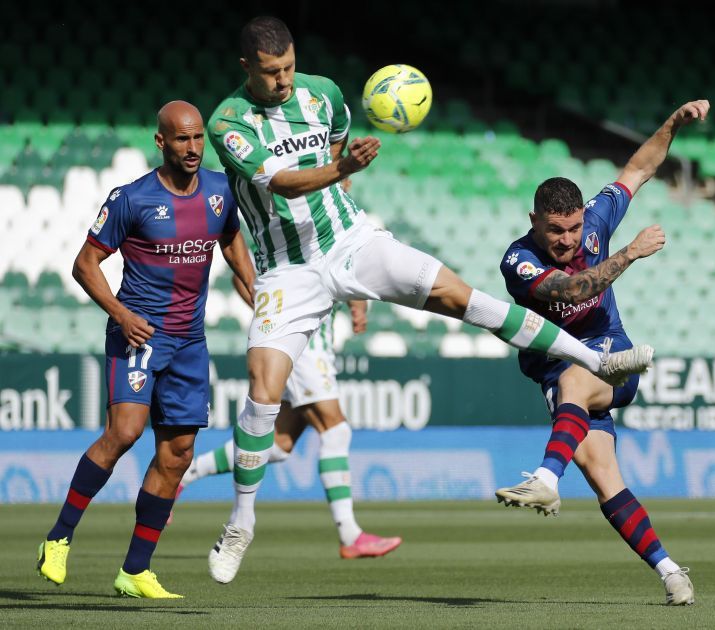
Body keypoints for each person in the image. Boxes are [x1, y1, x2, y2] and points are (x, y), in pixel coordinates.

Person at [204, 15, 654, 584]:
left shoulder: (324, 96)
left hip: (350, 241)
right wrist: (341, 167)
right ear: (248, 68)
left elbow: (337, 149)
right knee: (263, 388)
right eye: (272, 74)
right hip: (288, 271)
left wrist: (351, 242)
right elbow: (286, 183)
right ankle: (241, 522)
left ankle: (597, 359)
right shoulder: (229, 121)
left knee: (460, 295)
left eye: (290, 67)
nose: (285, 81)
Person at [36, 101, 256, 599]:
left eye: (199, 137)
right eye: (182, 139)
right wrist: (121, 314)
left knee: (178, 454)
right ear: (161, 142)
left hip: (190, 343)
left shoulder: (222, 192)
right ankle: (59, 536)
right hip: (139, 334)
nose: (194, 148)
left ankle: (135, 570)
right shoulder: (131, 199)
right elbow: (85, 264)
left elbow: (233, 247)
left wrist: (260, 300)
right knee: (126, 431)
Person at [495, 100, 711, 606]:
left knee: (576, 376)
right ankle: (671, 572)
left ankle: (547, 477)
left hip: (608, 351)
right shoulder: (519, 261)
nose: (569, 239)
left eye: (574, 229)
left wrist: (672, 124)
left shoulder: (596, 219)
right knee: (601, 474)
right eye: (556, 231)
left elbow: (639, 168)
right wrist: (629, 253)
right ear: (535, 221)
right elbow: (572, 291)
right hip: (558, 369)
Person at [181, 292, 402, 559]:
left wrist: (357, 306)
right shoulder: (280, 257)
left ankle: (187, 473)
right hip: (302, 341)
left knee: (279, 444)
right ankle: (350, 535)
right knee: (335, 430)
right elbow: (247, 276)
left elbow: (346, 260)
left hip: (315, 336)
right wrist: (276, 316)